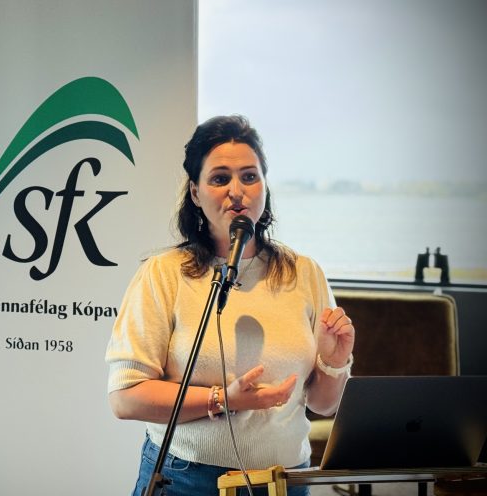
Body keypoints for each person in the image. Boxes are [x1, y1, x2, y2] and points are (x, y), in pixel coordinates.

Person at [105, 115, 355, 496]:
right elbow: (125, 397)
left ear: (265, 186)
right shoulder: (164, 274)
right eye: (220, 179)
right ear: (195, 192)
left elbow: (323, 405)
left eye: (249, 177)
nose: (237, 191)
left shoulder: (305, 274)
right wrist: (221, 400)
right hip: (188, 478)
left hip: (285, 480)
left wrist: (334, 362)